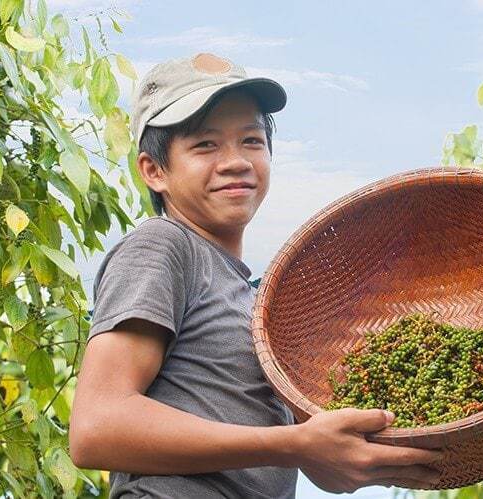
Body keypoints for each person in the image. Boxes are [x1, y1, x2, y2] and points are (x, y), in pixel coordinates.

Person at [69, 52, 443, 498]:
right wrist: (294, 446)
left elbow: (293, 449)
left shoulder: (254, 300)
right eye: (205, 145)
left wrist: (333, 454)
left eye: (251, 141)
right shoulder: (163, 246)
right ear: (154, 171)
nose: (236, 161)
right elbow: (96, 426)